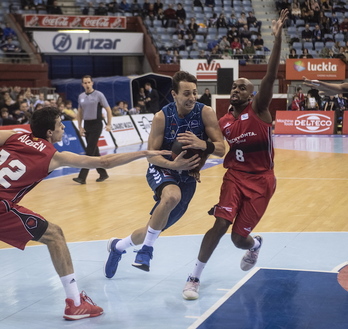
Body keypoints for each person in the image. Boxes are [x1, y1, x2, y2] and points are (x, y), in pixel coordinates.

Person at [0, 107, 170, 320]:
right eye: (60, 123)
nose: (63, 126)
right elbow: (103, 162)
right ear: (50, 133)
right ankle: (75, 304)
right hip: (2, 208)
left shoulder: (13, 136)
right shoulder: (54, 156)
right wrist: (144, 153)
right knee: (55, 235)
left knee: (54, 233)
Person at [182, 9, 288, 300]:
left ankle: (254, 246)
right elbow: (214, 147)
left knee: (238, 239)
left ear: (252, 94)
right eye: (234, 86)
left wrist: (277, 39)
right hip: (234, 177)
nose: (236, 89)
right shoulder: (224, 120)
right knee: (219, 223)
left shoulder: (261, 109)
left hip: (262, 181)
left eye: (243, 87)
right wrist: (197, 166)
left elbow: (270, 73)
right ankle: (193, 278)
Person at [104, 70, 225, 279]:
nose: (192, 98)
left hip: (187, 176)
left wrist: (202, 144)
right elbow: (151, 156)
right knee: (171, 196)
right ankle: (146, 252)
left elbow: (221, 149)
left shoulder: (205, 112)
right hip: (162, 167)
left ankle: (118, 246)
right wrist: (173, 164)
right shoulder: (162, 117)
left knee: (154, 229)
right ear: (174, 94)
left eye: (194, 93)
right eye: (186, 93)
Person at [72, 75, 112, 185]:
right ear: (82, 84)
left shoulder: (99, 95)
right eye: (85, 83)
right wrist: (80, 127)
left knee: (89, 151)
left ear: (92, 83)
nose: (87, 84)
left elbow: (108, 110)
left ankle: (82, 177)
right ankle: (103, 173)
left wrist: (109, 124)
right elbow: (80, 112)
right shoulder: (81, 96)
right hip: (87, 124)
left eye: (89, 82)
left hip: (96, 124)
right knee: (94, 152)